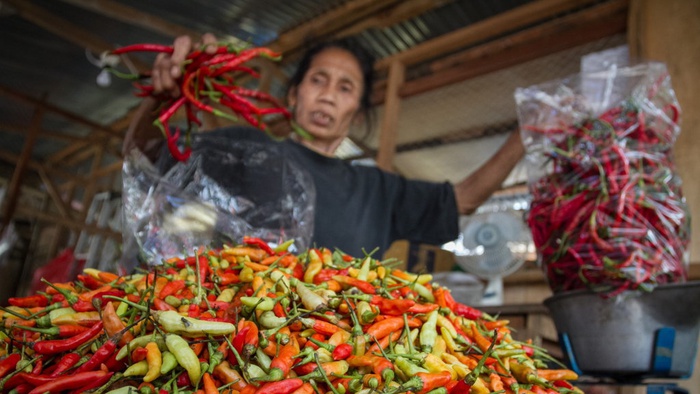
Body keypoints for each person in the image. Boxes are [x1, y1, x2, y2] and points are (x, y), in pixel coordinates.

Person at [123, 34, 525, 257]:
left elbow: (465, 198)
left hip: (333, 362)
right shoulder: (244, 149)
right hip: (236, 342)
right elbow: (141, 152)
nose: (329, 95)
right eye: (318, 80)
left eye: (345, 87)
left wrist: (527, 133)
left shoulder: (379, 191)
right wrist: (160, 99)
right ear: (294, 95)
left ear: (357, 112)